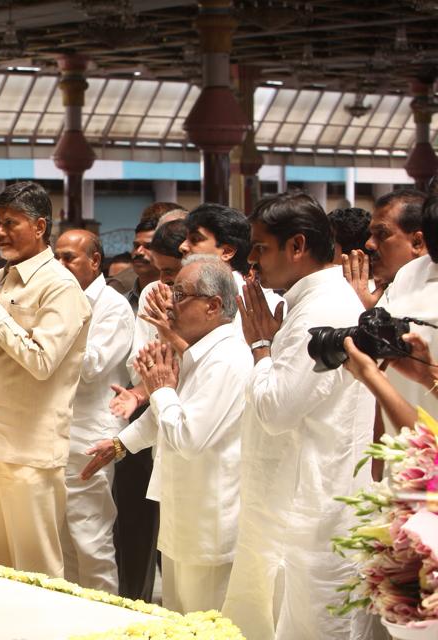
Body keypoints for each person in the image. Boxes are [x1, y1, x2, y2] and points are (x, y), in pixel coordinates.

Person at [222, 192, 374, 640]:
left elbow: (276, 411)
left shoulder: (325, 307)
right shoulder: (307, 300)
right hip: (291, 500)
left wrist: (259, 345)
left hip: (313, 509)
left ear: (297, 246)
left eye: (261, 247)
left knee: (310, 624)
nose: (252, 260)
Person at [85, 256, 251, 613]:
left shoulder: (227, 359)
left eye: (180, 294)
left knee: (204, 620)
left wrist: (159, 388)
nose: (169, 303)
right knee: (178, 615)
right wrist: (120, 444)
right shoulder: (198, 352)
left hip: (209, 518)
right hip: (184, 509)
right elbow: (166, 414)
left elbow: (187, 437)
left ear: (213, 305)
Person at [0, 181, 91, 578]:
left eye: (11, 223)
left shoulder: (60, 285)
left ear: (39, 226)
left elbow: (41, 362)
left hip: (31, 447)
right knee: (2, 567)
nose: (0, 233)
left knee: (38, 570)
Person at [108, 216, 187, 601]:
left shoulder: (222, 295)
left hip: (195, 423)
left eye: (171, 272)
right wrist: (141, 393)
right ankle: (134, 603)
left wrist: (174, 336)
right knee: (136, 523)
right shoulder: (152, 291)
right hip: (148, 411)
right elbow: (146, 363)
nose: (163, 280)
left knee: (181, 547)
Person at [53, 228, 134, 593]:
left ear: (95, 261)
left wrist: (54, 329)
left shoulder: (112, 305)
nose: (59, 265)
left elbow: (91, 369)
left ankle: (107, 626)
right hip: (54, 434)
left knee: (92, 541)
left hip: (90, 437)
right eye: (56, 256)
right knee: (63, 545)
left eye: (68, 258)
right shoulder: (55, 300)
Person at [374, 192, 438, 427]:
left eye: (382, 235)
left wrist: (428, 375)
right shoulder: (410, 272)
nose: (370, 245)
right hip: (406, 446)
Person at [343, 188, 426, 309]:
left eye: (381, 234)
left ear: (417, 242)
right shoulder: (391, 294)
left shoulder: (431, 300)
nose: (369, 244)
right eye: (370, 234)